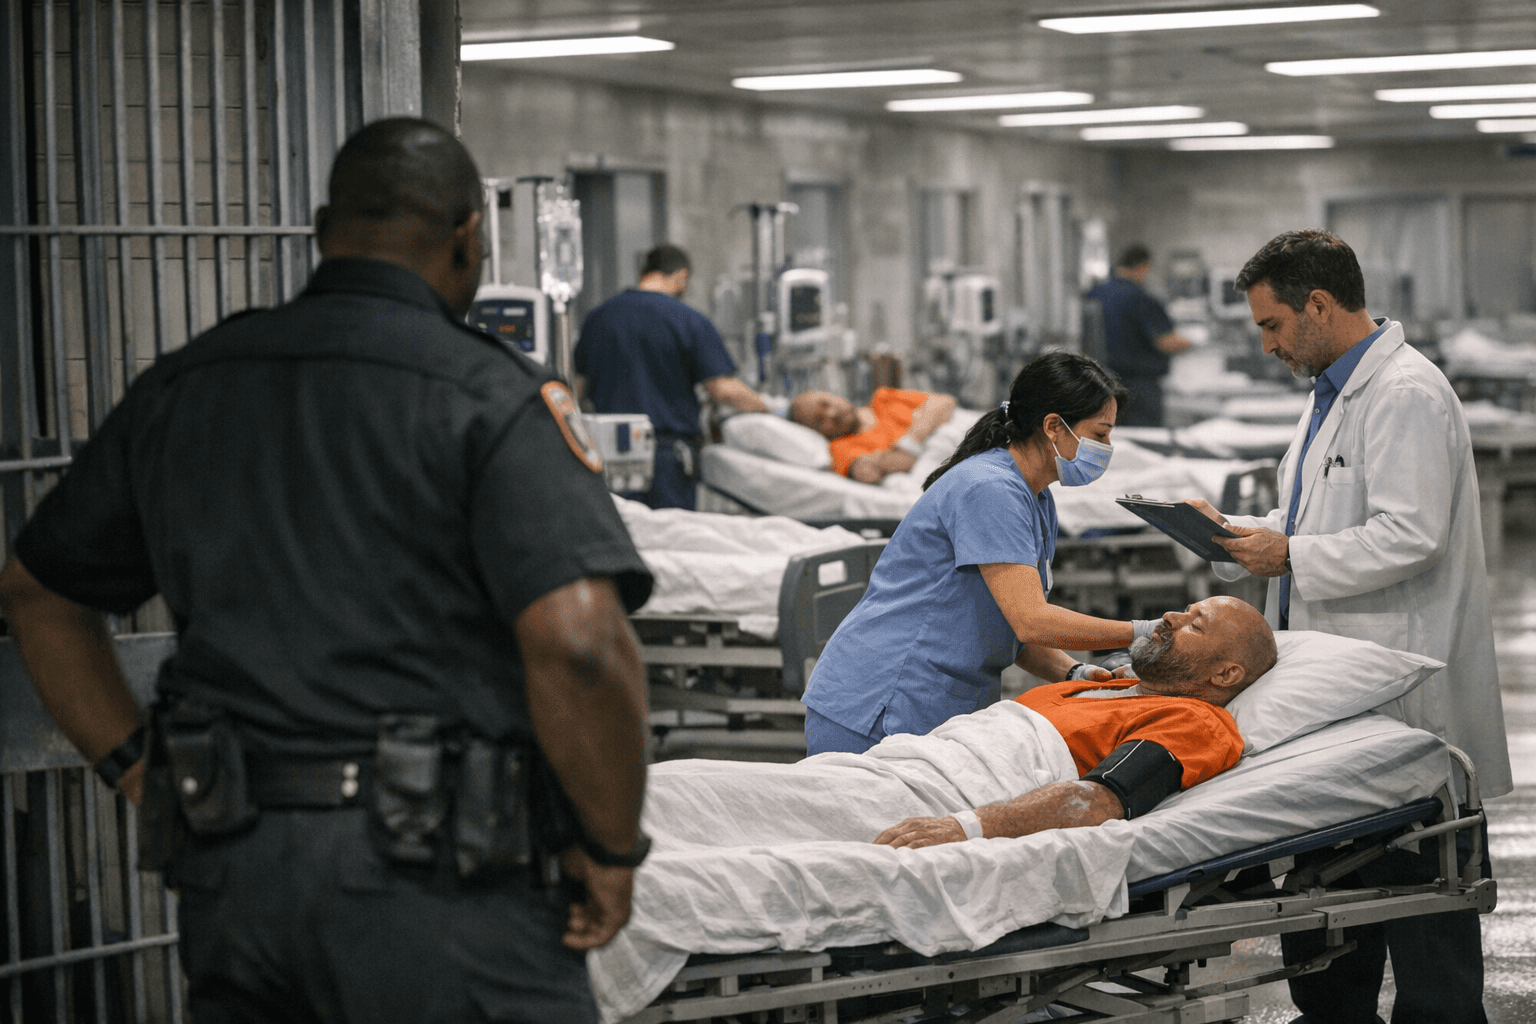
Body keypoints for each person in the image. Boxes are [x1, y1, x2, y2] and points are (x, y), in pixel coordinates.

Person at [0, 118, 655, 1024]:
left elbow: (39, 594)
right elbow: (581, 643)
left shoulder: (188, 385)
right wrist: (609, 844)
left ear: (321, 227)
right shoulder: (490, 394)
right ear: (472, 234)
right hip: (442, 886)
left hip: (236, 874)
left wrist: (138, 768)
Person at [1183, 228, 1510, 1024]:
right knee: (1336, 924)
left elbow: (1410, 533)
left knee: (1425, 924)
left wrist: (1289, 552)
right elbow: (1313, 521)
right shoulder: (1333, 394)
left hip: (1405, 700)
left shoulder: (1404, 393)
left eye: (1272, 325)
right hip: (1336, 702)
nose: (1266, 345)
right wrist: (1230, 536)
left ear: (1319, 305)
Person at [801, 351, 1167, 756]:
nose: (1106, 448)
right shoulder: (990, 489)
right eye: (1099, 435)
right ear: (1052, 427)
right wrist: (1146, 632)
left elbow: (1008, 624)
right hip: (883, 700)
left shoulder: (1035, 496)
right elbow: (1031, 621)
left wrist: (1074, 670)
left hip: (930, 700)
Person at [874, 594, 1277, 848]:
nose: (1170, 617)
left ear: (1225, 676)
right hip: (911, 762)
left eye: (1195, 625)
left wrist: (965, 828)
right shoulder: (1116, 686)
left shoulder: (1193, 721)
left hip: (955, 792)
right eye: (1185, 610)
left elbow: (1097, 799)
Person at [575, 243, 768, 509]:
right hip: (666, 457)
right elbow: (723, 390)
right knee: (671, 539)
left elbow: (577, 389)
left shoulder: (597, 318)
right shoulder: (688, 320)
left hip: (607, 452)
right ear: (681, 275)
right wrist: (770, 408)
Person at [1084, 244, 1193, 427]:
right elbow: (1165, 342)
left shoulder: (1094, 294)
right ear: (1144, 267)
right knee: (1143, 443)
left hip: (1098, 386)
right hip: (1139, 388)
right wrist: (1194, 343)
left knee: (1111, 442)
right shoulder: (1140, 298)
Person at [790, 386, 958, 482]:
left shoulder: (883, 398)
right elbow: (868, 472)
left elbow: (944, 402)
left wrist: (911, 443)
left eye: (825, 404)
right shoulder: (840, 448)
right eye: (820, 420)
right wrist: (926, 423)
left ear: (833, 394)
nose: (831, 413)